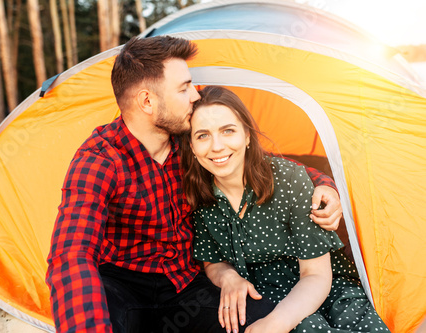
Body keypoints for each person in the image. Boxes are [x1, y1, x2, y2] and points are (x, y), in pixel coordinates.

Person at [46, 36, 342, 333]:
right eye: (184, 87)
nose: (195, 96)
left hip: (186, 285)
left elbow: (257, 162)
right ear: (147, 101)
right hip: (124, 286)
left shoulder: (193, 140)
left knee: (263, 321)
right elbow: (71, 255)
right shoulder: (99, 159)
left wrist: (324, 184)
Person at [181, 85, 390, 333]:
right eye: (202, 135)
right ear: (192, 147)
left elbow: (315, 274)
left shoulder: (288, 179)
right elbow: (212, 261)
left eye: (228, 131)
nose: (216, 146)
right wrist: (229, 276)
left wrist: (275, 323)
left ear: (247, 136)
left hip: (324, 286)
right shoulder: (198, 196)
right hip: (263, 295)